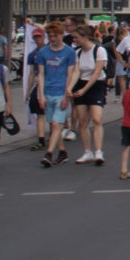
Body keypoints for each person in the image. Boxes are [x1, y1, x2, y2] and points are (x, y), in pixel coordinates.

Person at [36, 21, 77, 167]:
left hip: (61, 92)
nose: (52, 38)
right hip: (47, 91)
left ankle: (48, 153)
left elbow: (70, 74)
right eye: (50, 35)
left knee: (56, 124)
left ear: (61, 35)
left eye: (55, 36)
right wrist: (40, 95)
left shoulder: (69, 52)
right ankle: (62, 151)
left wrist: (67, 94)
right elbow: (40, 74)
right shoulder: (43, 52)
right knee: (54, 126)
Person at [67, 24, 109, 166]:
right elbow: (76, 72)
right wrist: (70, 88)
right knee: (83, 121)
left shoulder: (99, 50)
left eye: (76, 38)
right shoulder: (77, 52)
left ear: (85, 37)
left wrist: (84, 89)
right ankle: (87, 151)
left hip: (96, 85)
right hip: (81, 84)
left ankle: (98, 151)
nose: (74, 40)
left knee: (97, 119)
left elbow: (97, 72)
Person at [25, 28, 48, 150]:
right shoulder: (32, 54)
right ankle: (41, 139)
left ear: (44, 37)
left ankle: (60, 133)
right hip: (39, 84)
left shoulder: (50, 50)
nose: (37, 39)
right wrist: (28, 91)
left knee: (54, 113)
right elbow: (31, 74)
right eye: (35, 37)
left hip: (52, 84)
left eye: (39, 36)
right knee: (39, 113)